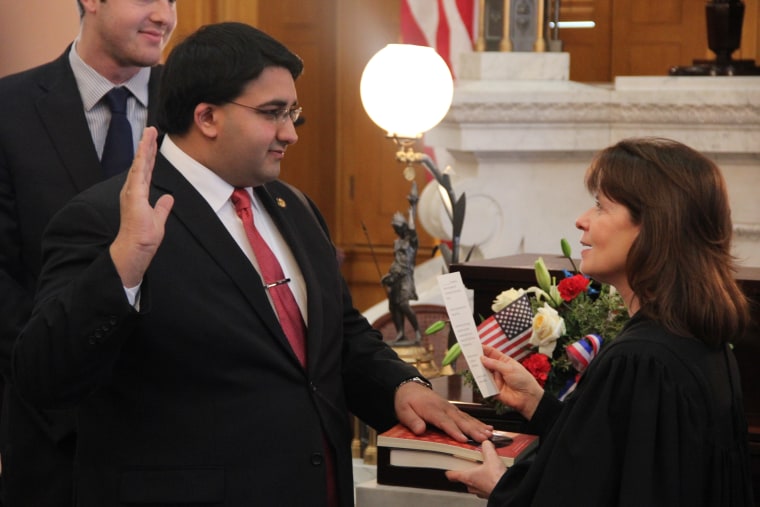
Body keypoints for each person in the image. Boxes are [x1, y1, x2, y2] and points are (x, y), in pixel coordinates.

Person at [12, 22, 491, 506]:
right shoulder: (107, 217)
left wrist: (401, 387)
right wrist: (124, 265)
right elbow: (44, 376)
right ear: (207, 117)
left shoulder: (294, 207)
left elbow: (338, 338)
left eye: (292, 112)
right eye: (272, 113)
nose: (291, 133)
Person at [446, 137, 755, 506]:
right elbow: (618, 458)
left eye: (601, 206)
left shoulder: (641, 359)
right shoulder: (699, 344)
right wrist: (538, 404)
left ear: (653, 227)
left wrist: (504, 489)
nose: (582, 220)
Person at [0, 0, 176, 504]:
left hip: (178, 430)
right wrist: (51, 363)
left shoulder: (201, 114)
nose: (164, 15)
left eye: (173, 1)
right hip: (51, 435)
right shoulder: (9, 108)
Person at [381, 182, 421, 344]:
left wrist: (412, 208)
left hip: (405, 277)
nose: (396, 231)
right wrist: (388, 276)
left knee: (404, 304)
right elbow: (396, 261)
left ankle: (418, 332)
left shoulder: (411, 242)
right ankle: (400, 333)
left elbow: (413, 229)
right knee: (394, 307)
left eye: (398, 227)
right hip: (395, 276)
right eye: (394, 228)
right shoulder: (397, 243)